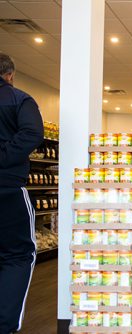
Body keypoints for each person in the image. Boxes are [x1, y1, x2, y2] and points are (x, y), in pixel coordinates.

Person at [0, 52, 44, 333]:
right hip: (7, 189)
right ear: (10, 75)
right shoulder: (18, 99)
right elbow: (32, 133)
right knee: (18, 255)